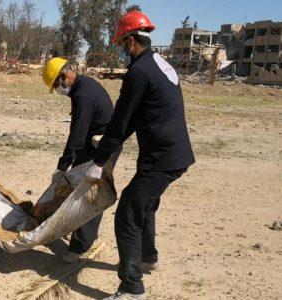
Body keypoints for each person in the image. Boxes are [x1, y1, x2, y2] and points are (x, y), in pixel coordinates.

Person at [85, 11, 195, 299]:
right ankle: (148, 258)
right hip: (175, 153)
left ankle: (131, 287)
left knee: (127, 213)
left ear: (131, 41)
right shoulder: (160, 63)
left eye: (122, 44)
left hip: (161, 157)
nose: (121, 50)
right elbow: (136, 116)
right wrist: (109, 144)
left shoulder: (139, 71)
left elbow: (122, 118)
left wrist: (98, 162)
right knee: (144, 205)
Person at [42, 57, 121, 264]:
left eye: (57, 85)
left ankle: (79, 246)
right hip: (94, 144)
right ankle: (83, 233)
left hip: (102, 148)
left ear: (63, 76)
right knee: (81, 189)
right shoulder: (82, 86)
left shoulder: (83, 95)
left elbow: (76, 135)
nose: (58, 89)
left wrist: (63, 165)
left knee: (88, 194)